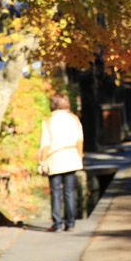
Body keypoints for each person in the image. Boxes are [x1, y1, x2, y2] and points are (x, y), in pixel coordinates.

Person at [38, 93, 83, 232]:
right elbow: (79, 139)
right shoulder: (74, 119)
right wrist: (79, 155)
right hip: (71, 156)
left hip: (55, 159)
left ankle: (57, 223)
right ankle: (70, 223)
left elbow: (45, 144)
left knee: (55, 192)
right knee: (69, 191)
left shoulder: (48, 121)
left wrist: (42, 162)